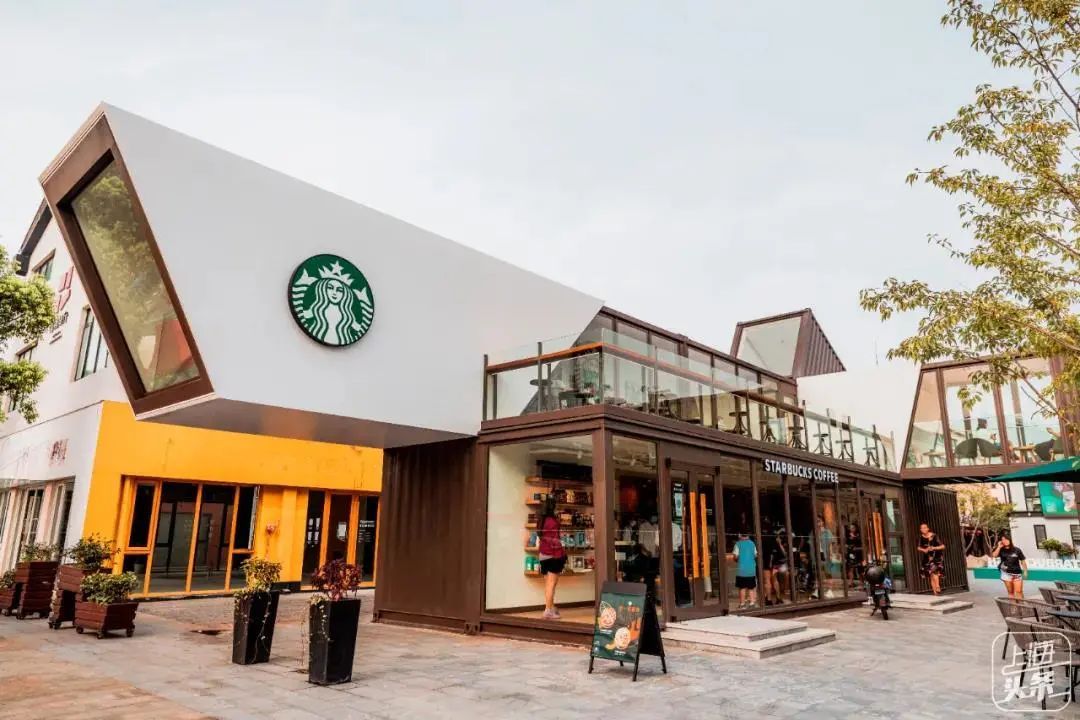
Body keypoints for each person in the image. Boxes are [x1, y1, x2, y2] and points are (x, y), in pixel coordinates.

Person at [536, 496, 566, 619]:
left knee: (548, 584)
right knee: (552, 584)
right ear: (552, 507)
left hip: (543, 554)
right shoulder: (553, 522)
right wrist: (561, 555)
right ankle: (548, 610)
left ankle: (551, 607)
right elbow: (555, 540)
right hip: (553, 555)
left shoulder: (541, 520)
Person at [918, 522, 946, 595]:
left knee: (934, 572)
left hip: (936, 557)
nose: (923, 529)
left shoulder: (934, 536)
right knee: (931, 575)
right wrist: (924, 550)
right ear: (920, 530)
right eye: (922, 528)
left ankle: (937, 586)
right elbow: (918, 547)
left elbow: (943, 546)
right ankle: (935, 593)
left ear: (928, 528)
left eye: (925, 527)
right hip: (927, 558)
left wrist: (934, 548)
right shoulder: (921, 537)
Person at [731, 532, 758, 610]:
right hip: (751, 569)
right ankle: (752, 603)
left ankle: (742, 604)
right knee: (751, 587)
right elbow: (755, 555)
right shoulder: (752, 543)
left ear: (740, 535)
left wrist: (737, 559)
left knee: (742, 588)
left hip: (742, 569)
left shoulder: (738, 544)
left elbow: (735, 556)